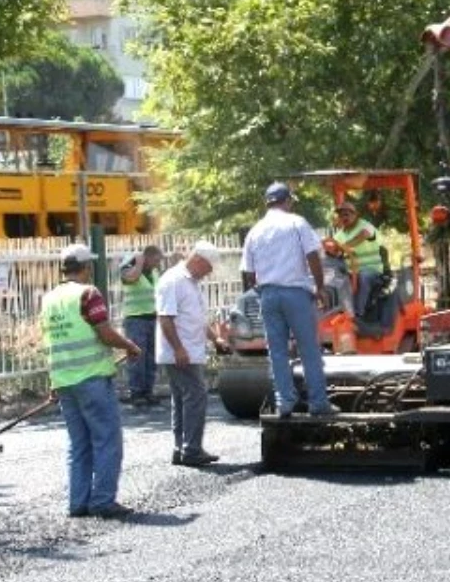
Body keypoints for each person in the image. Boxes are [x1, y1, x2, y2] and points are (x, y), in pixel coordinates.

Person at [40, 243, 141, 520]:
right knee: (107, 440)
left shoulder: (48, 299)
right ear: (87, 267)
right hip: (92, 379)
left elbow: (51, 342)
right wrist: (130, 346)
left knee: (79, 444)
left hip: (64, 382)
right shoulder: (88, 293)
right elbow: (105, 333)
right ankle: (103, 501)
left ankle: (78, 502)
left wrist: (54, 382)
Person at [240, 182, 340, 418]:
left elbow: (248, 272)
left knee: (277, 352)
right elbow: (312, 256)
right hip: (295, 293)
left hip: (268, 295)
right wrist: (319, 287)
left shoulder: (255, 231)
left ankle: (284, 402)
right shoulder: (296, 223)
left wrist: (263, 290)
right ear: (287, 201)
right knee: (309, 349)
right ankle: (318, 403)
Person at [156, 241, 227, 467]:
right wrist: (178, 349)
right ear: (197, 259)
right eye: (207, 268)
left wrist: (214, 338)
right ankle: (191, 449)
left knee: (182, 400)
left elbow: (195, 319)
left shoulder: (191, 282)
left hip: (187, 351)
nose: (208, 274)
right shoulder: (173, 280)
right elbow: (165, 318)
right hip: (180, 352)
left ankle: (182, 449)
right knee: (196, 396)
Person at [120, 245, 163, 407]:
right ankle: (136, 391)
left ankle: (148, 390)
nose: (158, 264)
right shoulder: (129, 267)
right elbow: (131, 278)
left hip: (152, 318)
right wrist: (138, 263)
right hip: (135, 318)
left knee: (151, 357)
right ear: (147, 257)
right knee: (137, 356)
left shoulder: (154, 273)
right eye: (156, 260)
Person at [331, 201, 383, 317]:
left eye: (346, 214)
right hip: (350, 271)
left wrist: (344, 246)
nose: (343, 217)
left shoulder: (365, 225)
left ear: (355, 215)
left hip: (371, 269)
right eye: (340, 215)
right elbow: (332, 247)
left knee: (363, 278)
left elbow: (364, 235)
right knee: (335, 282)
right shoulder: (339, 234)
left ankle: (358, 314)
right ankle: (340, 313)